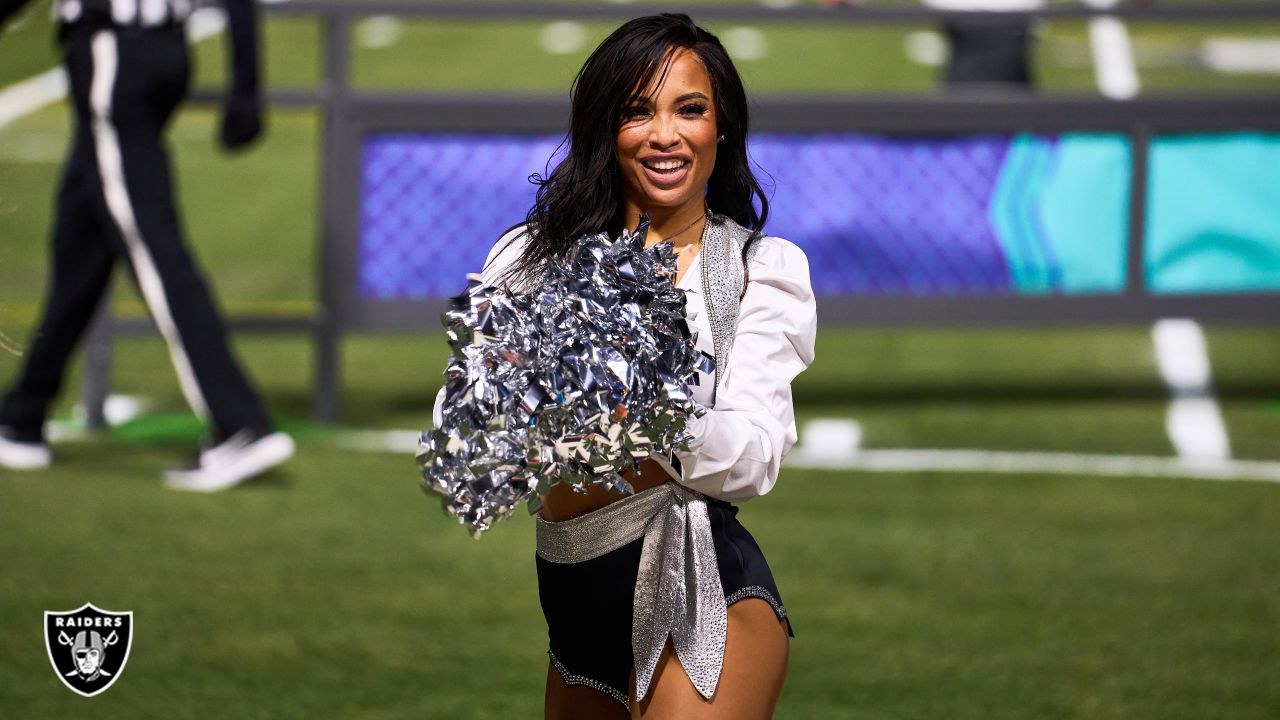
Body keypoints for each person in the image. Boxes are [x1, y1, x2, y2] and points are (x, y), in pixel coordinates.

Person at [438, 14, 816, 718]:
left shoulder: (761, 269)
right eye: (637, 111)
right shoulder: (529, 257)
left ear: (721, 126)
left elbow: (756, 457)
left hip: (702, 597)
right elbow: (464, 431)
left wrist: (647, 409)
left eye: (690, 109)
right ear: (605, 129)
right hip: (575, 611)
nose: (664, 134)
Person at [0, 0, 294, 490]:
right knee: (84, 238)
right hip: (164, 50)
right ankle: (21, 417)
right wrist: (247, 77)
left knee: (151, 243)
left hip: (113, 54)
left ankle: (241, 425)